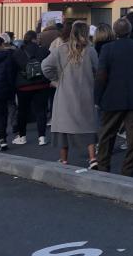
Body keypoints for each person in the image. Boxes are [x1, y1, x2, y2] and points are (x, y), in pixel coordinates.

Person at [95, 18, 133, 177]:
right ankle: (128, 169)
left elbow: (101, 76)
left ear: (115, 32)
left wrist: (97, 97)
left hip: (112, 96)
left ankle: (103, 166)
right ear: (130, 31)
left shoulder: (107, 49)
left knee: (107, 134)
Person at [41, 21, 99, 168]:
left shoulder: (61, 49)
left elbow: (45, 66)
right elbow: (97, 69)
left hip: (65, 93)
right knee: (88, 126)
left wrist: (56, 80)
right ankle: (93, 158)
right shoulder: (90, 51)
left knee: (64, 127)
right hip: (86, 92)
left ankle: (64, 159)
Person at [12, 30, 51, 146]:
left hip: (24, 86)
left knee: (22, 111)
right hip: (42, 84)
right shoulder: (44, 51)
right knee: (41, 111)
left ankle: (22, 136)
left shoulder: (18, 53)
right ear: (34, 39)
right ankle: (42, 137)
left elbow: (14, 70)